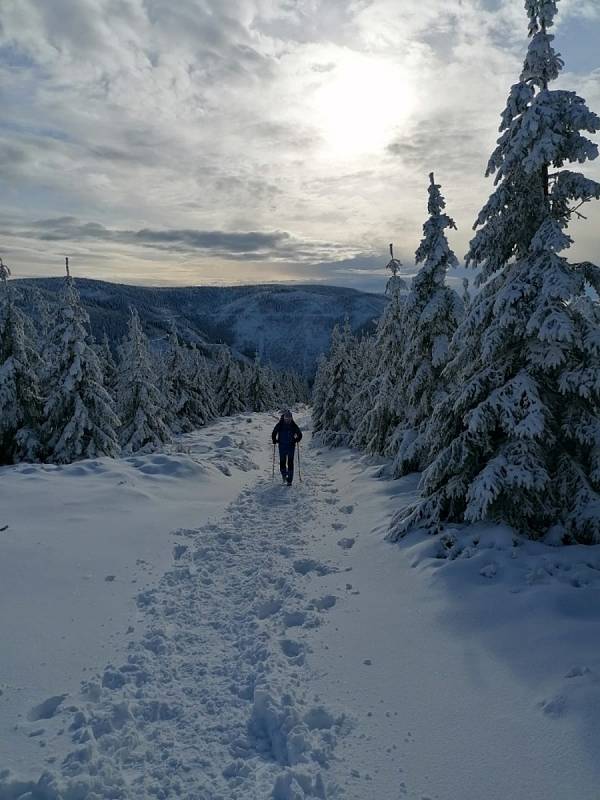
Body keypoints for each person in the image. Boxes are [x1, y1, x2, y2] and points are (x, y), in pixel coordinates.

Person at [272, 410, 302, 485]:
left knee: (290, 462)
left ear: (291, 418)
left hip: (291, 446)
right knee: (282, 462)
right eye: (286, 418)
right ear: (284, 418)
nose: (288, 420)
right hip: (282, 446)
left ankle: (289, 480)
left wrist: (297, 439)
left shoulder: (293, 425)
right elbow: (274, 432)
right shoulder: (280, 424)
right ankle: (284, 475)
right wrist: (274, 439)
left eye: (289, 418)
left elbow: (300, 434)